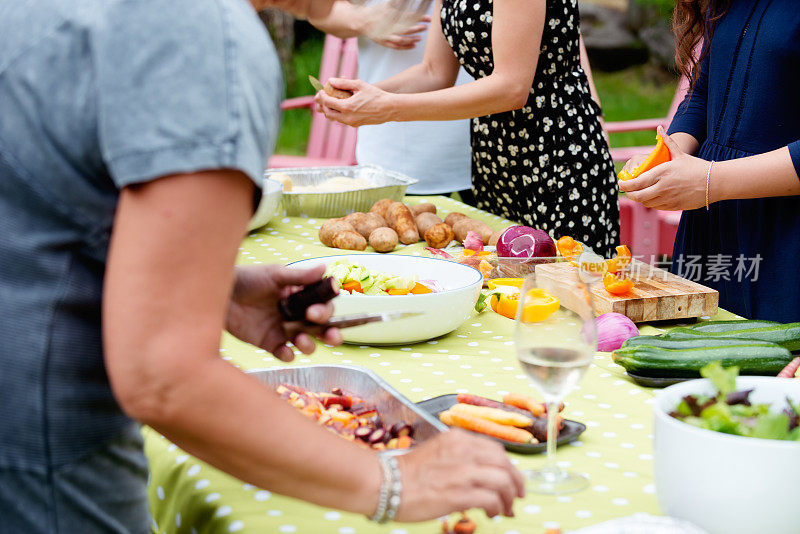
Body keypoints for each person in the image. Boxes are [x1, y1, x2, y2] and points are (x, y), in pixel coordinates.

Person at [0, 0, 524, 531]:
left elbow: (40, 203)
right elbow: (163, 378)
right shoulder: (205, 37)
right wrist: (394, 481)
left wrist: (212, 292)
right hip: (39, 449)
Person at [315, 0, 620, 256]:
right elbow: (434, 72)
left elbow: (512, 88)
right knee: (502, 293)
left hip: (555, 155)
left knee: (571, 301)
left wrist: (388, 107)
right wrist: (359, 95)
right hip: (495, 154)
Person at [618, 0, 800, 322]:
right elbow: (703, 91)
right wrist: (668, 156)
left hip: (785, 241)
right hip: (710, 225)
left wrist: (710, 180)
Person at [308, 3, 473, 197]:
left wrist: (375, 99)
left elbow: (436, 72)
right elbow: (313, 9)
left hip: (486, 139)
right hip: (394, 146)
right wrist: (364, 20)